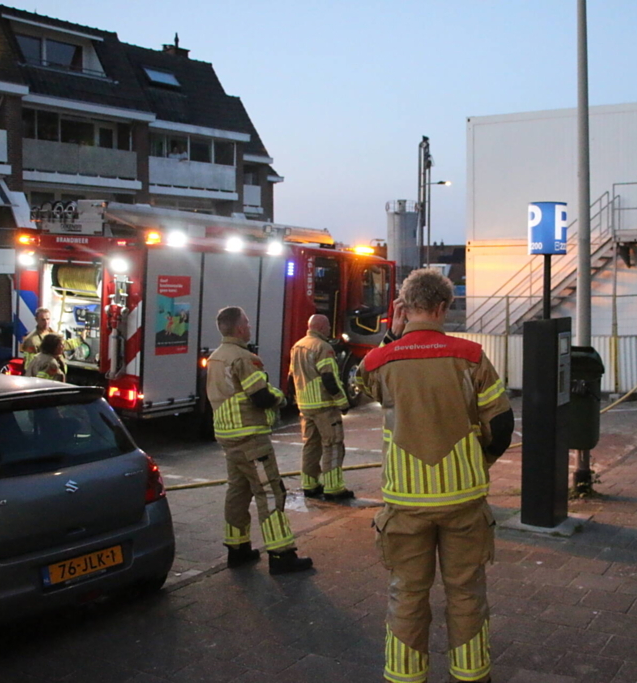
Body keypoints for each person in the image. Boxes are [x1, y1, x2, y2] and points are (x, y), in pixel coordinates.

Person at [357, 269, 514, 683]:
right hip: (463, 499)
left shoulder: (380, 361)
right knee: (466, 593)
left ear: (404, 309)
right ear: (443, 307)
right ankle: (471, 674)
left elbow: (363, 385)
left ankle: (406, 676)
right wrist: (478, 462)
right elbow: (501, 426)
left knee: (407, 594)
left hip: (405, 503)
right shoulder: (471, 356)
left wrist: (392, 336)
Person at [205, 306, 313, 574]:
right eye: (247, 323)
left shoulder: (216, 357)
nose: (249, 327)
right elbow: (260, 396)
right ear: (240, 328)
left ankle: (237, 548)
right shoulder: (243, 358)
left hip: (228, 436)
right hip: (250, 436)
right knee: (270, 492)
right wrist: (280, 397)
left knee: (238, 491)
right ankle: (281, 554)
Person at [288, 314, 353, 501]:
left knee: (311, 446)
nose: (329, 328)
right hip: (324, 406)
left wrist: (296, 400)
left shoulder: (297, 345)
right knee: (333, 445)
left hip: (305, 406)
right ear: (322, 327)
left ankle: (309, 484)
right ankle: (333, 487)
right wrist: (342, 402)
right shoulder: (323, 347)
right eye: (328, 326)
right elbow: (329, 378)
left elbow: (291, 377)